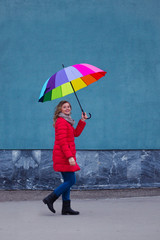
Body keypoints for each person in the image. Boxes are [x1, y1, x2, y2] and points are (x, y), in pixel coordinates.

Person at [43, 100, 87, 215]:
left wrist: (82, 120)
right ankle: (50, 198)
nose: (67, 108)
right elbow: (62, 142)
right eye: (64, 107)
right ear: (60, 109)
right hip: (64, 156)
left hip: (65, 156)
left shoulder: (67, 121)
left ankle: (66, 207)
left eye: (68, 107)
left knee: (68, 181)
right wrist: (70, 157)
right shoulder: (61, 122)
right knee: (71, 180)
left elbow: (76, 133)